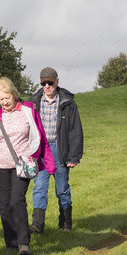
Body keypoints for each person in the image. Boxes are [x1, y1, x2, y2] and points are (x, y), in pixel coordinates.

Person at [0, 78, 54, 255]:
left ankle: (23, 243)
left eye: (7, 98)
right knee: (4, 206)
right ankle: (11, 244)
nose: (5, 102)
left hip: (23, 165)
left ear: (14, 95)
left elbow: (41, 137)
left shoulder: (28, 110)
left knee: (17, 200)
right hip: (0, 167)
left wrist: (48, 161)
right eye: (1, 99)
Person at [29, 66, 83, 232]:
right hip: (40, 150)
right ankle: (37, 224)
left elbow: (75, 130)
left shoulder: (68, 103)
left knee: (62, 188)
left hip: (59, 149)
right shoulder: (32, 103)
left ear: (57, 82)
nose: (47, 86)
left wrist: (73, 157)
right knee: (39, 186)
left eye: (50, 83)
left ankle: (65, 223)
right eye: (43, 83)